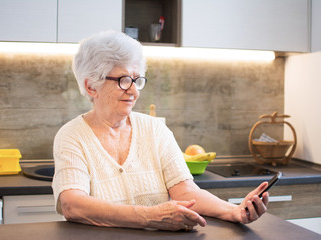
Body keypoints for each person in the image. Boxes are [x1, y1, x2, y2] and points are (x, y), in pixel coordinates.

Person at [52, 30, 269, 231]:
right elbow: (73, 204)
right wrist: (148, 216)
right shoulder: (72, 135)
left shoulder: (155, 129)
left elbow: (186, 192)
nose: (133, 91)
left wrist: (234, 211)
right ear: (91, 86)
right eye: (123, 80)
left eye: (137, 80)